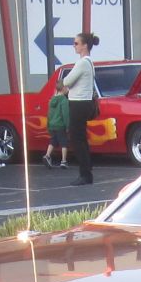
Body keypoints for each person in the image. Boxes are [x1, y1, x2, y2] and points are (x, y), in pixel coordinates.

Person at [61, 32, 99, 186]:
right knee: (81, 139)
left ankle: (85, 173)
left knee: (77, 139)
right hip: (83, 102)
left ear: (84, 45)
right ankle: (86, 170)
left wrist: (65, 86)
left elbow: (67, 80)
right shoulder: (88, 62)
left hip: (78, 103)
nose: (74, 46)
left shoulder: (83, 62)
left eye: (76, 43)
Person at [42, 83, 71, 170]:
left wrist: (49, 124)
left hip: (52, 125)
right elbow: (65, 114)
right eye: (67, 87)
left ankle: (47, 155)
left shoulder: (52, 100)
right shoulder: (64, 100)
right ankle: (63, 161)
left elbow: (49, 114)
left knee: (53, 141)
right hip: (60, 125)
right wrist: (68, 126)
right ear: (63, 89)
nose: (68, 89)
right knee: (64, 143)